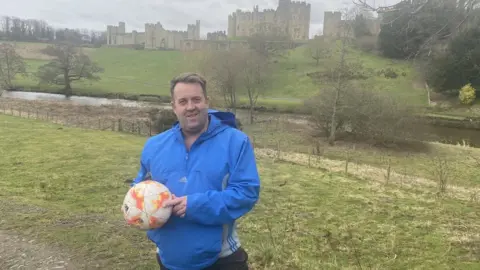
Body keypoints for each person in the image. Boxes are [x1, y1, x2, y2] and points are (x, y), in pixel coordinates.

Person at [131, 72, 261, 270]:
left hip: (222, 259)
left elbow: (246, 193)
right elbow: (141, 187)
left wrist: (195, 205)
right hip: (168, 258)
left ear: (207, 101)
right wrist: (137, 203)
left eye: (196, 99)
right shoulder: (154, 145)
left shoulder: (236, 142)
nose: (190, 107)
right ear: (174, 107)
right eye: (183, 101)